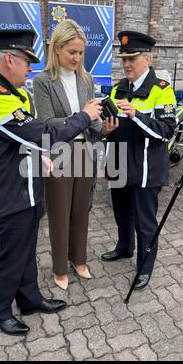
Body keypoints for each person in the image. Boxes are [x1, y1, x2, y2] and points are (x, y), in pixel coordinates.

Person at [0, 29, 102, 335]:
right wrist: (83, 116)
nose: (30, 67)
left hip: (25, 188)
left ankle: (29, 299)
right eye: (26, 60)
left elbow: (20, 138)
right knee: (9, 255)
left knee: (25, 249)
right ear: (9, 59)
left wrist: (36, 153)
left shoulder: (9, 93)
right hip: (7, 193)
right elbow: (46, 135)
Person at [33, 19, 115, 290]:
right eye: (72, 52)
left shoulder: (86, 79)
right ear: (57, 48)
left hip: (84, 151)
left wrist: (103, 128)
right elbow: (45, 122)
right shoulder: (43, 81)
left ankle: (78, 260)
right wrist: (79, 116)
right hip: (58, 152)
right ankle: (59, 267)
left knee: (81, 210)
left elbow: (91, 123)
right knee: (59, 213)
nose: (77, 58)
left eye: (81, 53)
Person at [101, 30, 177, 290]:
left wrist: (136, 116)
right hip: (120, 164)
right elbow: (110, 128)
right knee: (122, 215)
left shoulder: (162, 91)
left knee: (145, 223)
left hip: (146, 170)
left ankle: (144, 267)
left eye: (131, 58)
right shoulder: (117, 88)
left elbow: (167, 131)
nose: (126, 64)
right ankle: (124, 248)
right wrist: (105, 127)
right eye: (123, 59)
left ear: (147, 58)